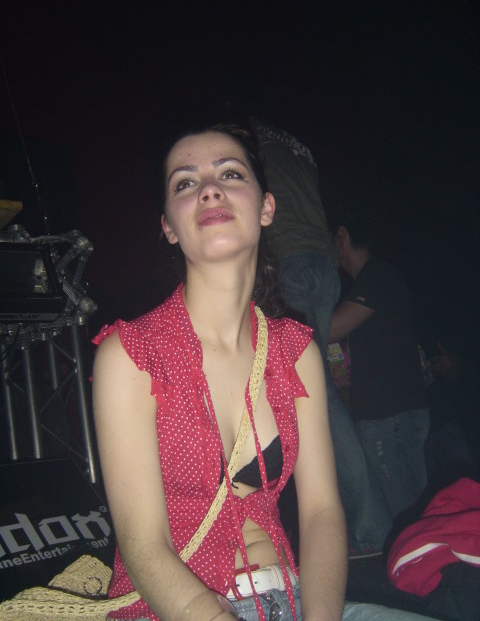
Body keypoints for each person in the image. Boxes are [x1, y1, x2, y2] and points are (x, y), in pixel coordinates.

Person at [92, 122, 439, 621]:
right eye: (185, 183)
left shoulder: (296, 353)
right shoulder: (131, 355)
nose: (209, 189)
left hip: (293, 600)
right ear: (168, 226)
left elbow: (321, 512)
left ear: (267, 207)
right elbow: (144, 548)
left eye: (230, 174)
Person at [251, 118, 392, 555]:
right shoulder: (299, 148)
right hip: (322, 269)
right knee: (315, 392)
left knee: (311, 395)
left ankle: (365, 525)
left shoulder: (250, 143)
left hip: (289, 264)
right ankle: (350, 523)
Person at [329, 201, 430, 519]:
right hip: (391, 415)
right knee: (406, 511)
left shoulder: (376, 276)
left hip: (391, 416)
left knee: (406, 515)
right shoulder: (372, 279)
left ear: (342, 236)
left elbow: (330, 329)